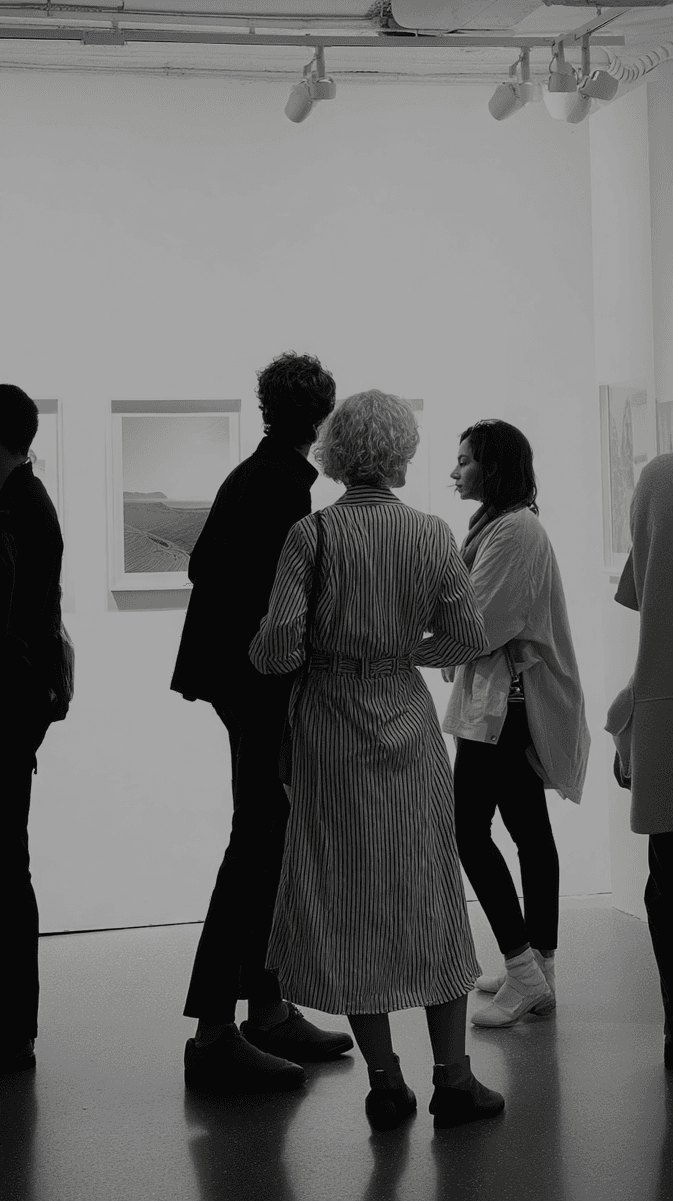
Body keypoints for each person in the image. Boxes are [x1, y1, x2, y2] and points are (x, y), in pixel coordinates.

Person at [250, 389, 505, 1132]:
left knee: (347, 897)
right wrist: (403, 656)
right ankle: (453, 1077)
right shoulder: (428, 533)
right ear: (400, 452)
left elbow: (275, 651)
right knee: (428, 889)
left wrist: (311, 655)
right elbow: (466, 634)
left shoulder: (312, 535)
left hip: (329, 728)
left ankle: (386, 1081)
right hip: (406, 719)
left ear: (334, 452)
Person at [171, 351, 353, 1093]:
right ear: (319, 416)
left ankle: (268, 1008)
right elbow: (274, 600)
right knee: (254, 849)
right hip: (254, 685)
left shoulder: (258, 474)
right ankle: (215, 1031)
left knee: (266, 844)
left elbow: (202, 567)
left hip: (238, 681)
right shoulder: (280, 486)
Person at [442, 420, 591, 1028]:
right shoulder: (501, 525)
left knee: (469, 832)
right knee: (528, 830)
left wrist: (415, 641)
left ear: (493, 467)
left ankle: (525, 969)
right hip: (507, 705)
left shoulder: (516, 531)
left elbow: (480, 622)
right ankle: (539, 968)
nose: (455, 472)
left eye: (464, 461)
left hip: (507, 709)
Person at [0, 384, 64, 1073]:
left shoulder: (21, 510)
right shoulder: (22, 501)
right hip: (19, 712)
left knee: (6, 871)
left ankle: (14, 1028)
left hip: (10, 715)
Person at [605, 452, 673, 1071]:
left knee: (669, 880)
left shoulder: (656, 478)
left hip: (668, 714)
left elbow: (650, 617)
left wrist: (633, 714)